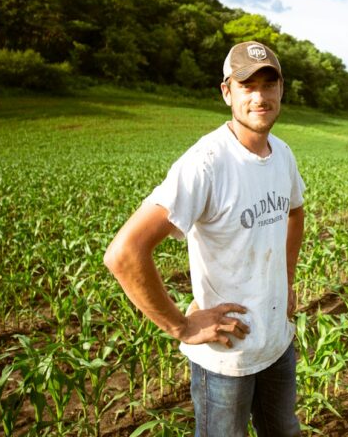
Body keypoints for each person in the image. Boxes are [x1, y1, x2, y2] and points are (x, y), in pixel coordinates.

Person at [104, 40, 305, 436]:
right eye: (247, 86)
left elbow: (295, 213)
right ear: (227, 92)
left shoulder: (282, 154)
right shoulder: (206, 163)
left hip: (277, 343)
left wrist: (286, 278)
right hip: (226, 358)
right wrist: (182, 327)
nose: (260, 96)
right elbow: (124, 253)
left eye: (269, 84)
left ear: (281, 89)